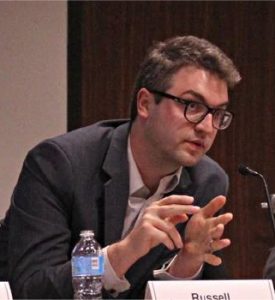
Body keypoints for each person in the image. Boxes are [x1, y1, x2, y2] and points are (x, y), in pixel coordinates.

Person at [3, 35, 241, 299]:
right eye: (192, 105)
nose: (206, 127)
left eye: (217, 114)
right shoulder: (61, 164)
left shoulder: (207, 181)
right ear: (145, 104)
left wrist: (187, 264)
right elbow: (31, 288)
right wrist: (123, 253)